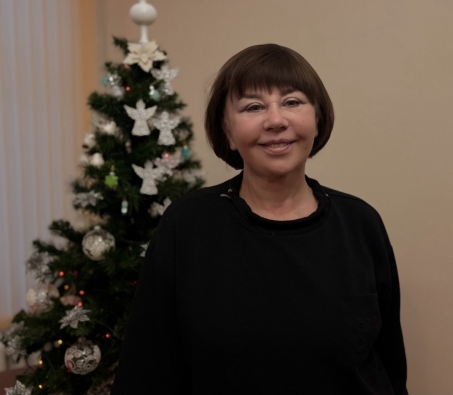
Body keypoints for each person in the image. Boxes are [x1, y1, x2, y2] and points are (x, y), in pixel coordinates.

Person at [112, 44, 408, 394]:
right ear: (227, 131)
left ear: (317, 119)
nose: (276, 120)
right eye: (253, 107)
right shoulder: (187, 226)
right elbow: (144, 373)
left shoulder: (360, 223)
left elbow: (389, 367)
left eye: (292, 102)